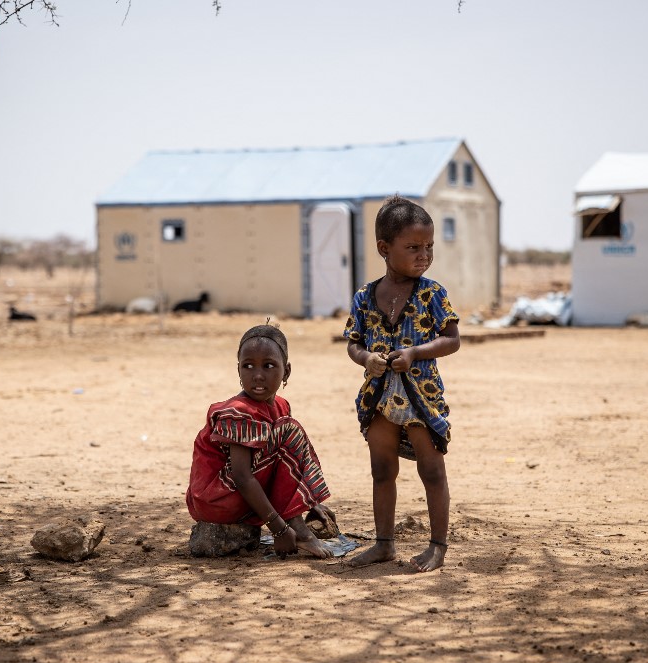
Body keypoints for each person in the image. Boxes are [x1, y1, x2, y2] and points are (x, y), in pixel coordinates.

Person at [343, 195, 461, 572]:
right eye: (413, 247)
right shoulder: (365, 296)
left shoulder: (432, 293)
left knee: (431, 469)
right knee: (382, 470)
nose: (423, 255)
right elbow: (353, 342)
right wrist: (367, 359)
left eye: (428, 247)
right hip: (379, 397)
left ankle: (438, 546)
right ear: (384, 248)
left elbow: (452, 339)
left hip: (420, 397)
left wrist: (415, 354)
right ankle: (383, 544)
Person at [186, 323, 335, 559]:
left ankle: (295, 514)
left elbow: (277, 469)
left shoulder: (280, 405)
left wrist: (307, 502)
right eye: (248, 366)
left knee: (285, 431)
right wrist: (279, 529)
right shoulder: (239, 412)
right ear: (238, 370)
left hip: (233, 496)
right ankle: (299, 530)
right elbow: (243, 476)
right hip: (216, 498)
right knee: (289, 431)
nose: (257, 375)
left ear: (286, 372)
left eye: (268, 366)